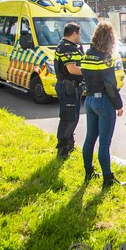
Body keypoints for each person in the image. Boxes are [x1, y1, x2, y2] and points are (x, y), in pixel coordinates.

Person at [81, 21, 125, 189]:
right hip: (103, 102)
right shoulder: (105, 57)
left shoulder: (86, 55)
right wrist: (118, 105)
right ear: (110, 38)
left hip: (89, 100)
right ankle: (107, 178)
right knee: (104, 142)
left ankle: (88, 171)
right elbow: (110, 85)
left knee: (90, 139)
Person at [54, 22, 84, 159]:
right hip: (68, 87)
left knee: (72, 117)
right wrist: (88, 71)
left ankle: (69, 145)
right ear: (74, 34)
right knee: (68, 119)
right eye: (79, 33)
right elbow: (72, 69)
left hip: (69, 87)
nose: (80, 36)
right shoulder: (68, 48)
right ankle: (63, 150)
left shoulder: (67, 46)